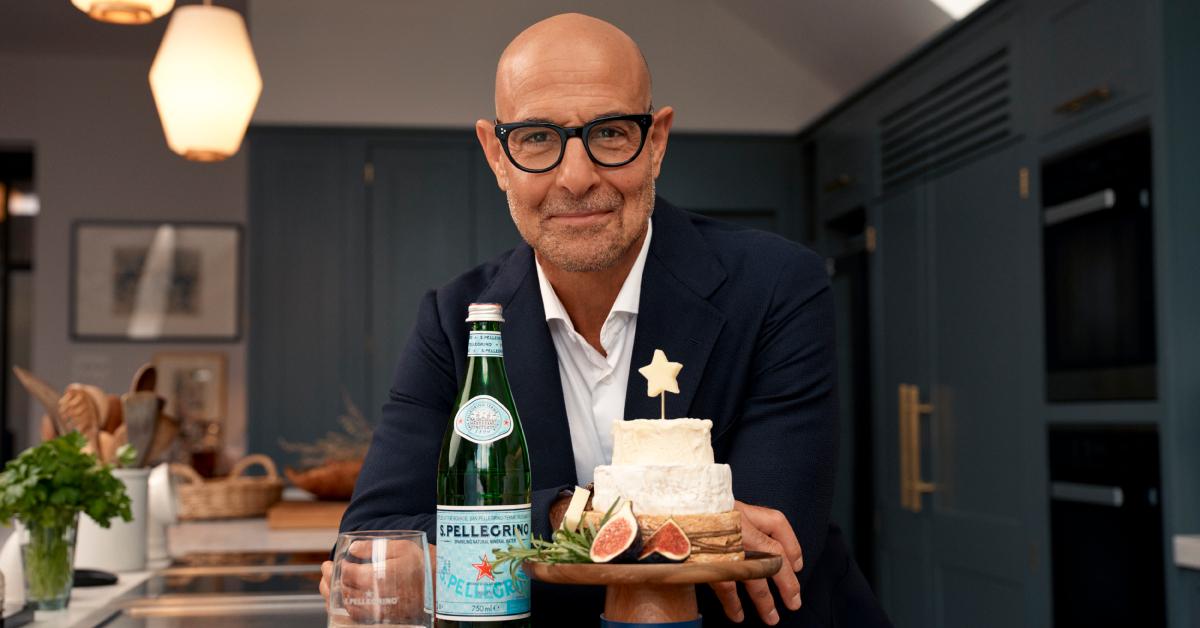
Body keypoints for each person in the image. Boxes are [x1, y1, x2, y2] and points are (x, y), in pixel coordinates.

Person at [321, 12, 890, 627]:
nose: (576, 177)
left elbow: (760, 558)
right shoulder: (454, 321)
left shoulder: (779, 286)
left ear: (657, 140)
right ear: (496, 153)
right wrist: (573, 515)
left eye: (611, 133)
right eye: (537, 137)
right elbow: (372, 548)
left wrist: (468, 561)